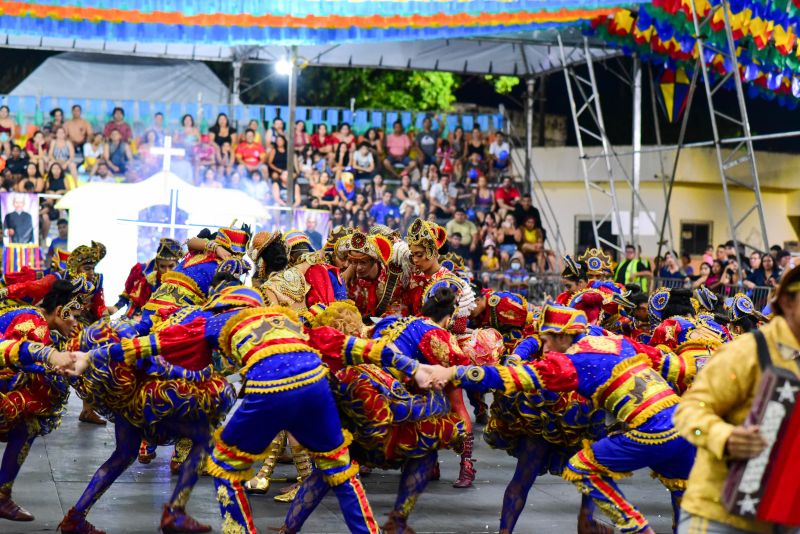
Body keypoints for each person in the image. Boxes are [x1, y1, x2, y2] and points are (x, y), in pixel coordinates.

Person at [673, 265, 800, 533]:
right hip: (718, 517)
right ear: (787, 301)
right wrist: (725, 438)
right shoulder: (747, 351)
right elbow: (687, 413)